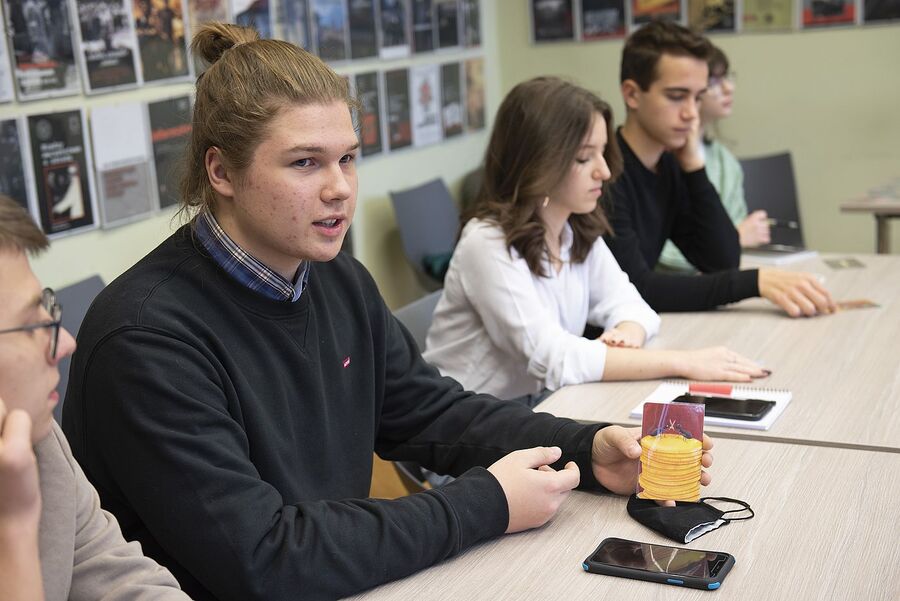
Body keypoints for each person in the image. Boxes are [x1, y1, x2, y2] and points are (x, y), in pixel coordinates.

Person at [61, 23, 714, 601]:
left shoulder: (334, 276)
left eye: (347, 158)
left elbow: (431, 412)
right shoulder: (146, 337)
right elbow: (262, 558)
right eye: (304, 163)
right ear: (221, 172)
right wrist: (484, 502)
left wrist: (588, 448)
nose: (339, 187)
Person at [423, 77, 767, 402]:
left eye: (602, 153)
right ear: (537, 162)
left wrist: (628, 333)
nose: (603, 171)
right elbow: (553, 358)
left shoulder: (574, 230)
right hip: (461, 432)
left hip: (535, 408)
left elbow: (636, 307)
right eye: (584, 157)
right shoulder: (487, 242)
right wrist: (682, 362)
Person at [0, 195, 190, 601]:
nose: (64, 342)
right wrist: (14, 526)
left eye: (47, 310)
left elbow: (122, 581)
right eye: (28, 326)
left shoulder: (40, 441)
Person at [603, 21, 835, 317]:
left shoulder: (669, 166)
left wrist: (694, 167)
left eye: (698, 97)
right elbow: (637, 289)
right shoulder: (604, 172)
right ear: (632, 94)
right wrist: (755, 282)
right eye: (676, 96)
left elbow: (721, 261)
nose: (691, 113)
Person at [657, 44, 770, 273]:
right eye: (715, 82)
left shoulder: (724, 160)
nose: (729, 88)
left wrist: (730, 240)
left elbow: (729, 245)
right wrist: (735, 238)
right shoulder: (659, 160)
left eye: (727, 77)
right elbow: (661, 254)